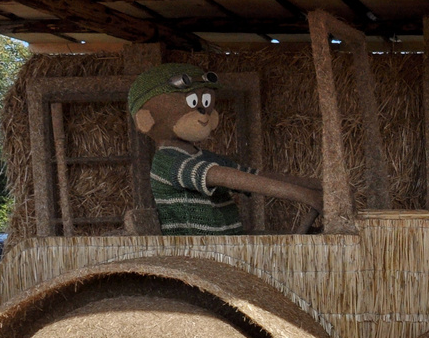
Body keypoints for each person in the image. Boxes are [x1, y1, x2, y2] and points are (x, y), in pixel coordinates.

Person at [128, 64, 322, 235]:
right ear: (146, 120)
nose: (203, 114)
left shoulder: (201, 156)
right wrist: (302, 195)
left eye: (205, 104)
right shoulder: (168, 162)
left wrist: (315, 185)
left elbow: (253, 176)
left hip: (225, 243)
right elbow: (220, 176)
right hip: (197, 251)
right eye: (194, 105)